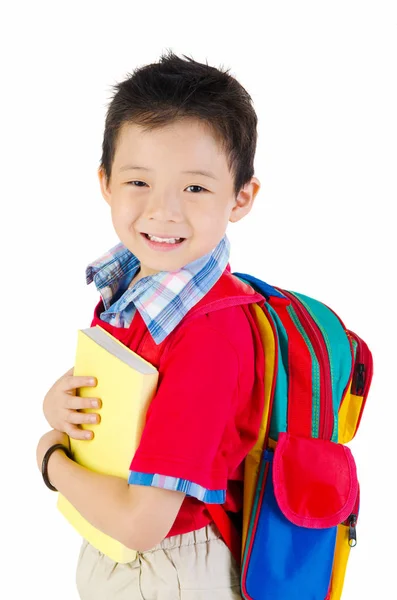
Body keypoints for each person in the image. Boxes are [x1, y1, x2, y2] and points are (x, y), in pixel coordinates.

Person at [36, 49, 266, 599]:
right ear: (106, 182)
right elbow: (122, 409)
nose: (162, 211)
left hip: (168, 569)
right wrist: (57, 405)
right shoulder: (136, 289)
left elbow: (144, 522)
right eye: (139, 182)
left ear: (241, 197)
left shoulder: (209, 335)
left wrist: (49, 459)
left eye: (194, 187)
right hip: (122, 548)